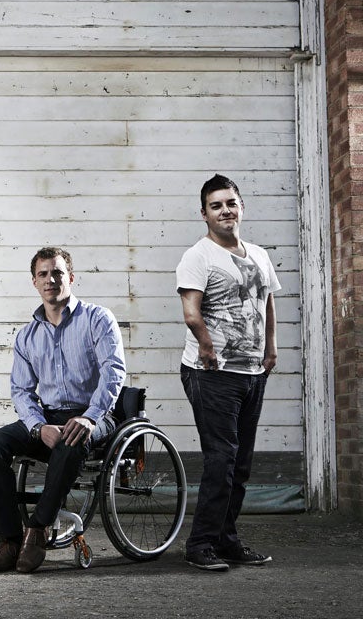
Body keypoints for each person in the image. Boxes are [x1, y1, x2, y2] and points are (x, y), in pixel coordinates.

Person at [0, 247, 126, 573]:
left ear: (70, 278)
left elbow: (113, 372)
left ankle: (37, 530)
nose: (51, 280)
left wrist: (89, 417)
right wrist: (36, 426)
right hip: (48, 417)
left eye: (57, 273)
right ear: (34, 282)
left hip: (95, 415)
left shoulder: (97, 319)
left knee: (70, 438)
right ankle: (9, 542)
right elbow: (21, 391)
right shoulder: (28, 335)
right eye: (43, 274)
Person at [178, 174, 279, 571]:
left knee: (240, 464)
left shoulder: (258, 254)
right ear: (204, 214)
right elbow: (191, 311)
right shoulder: (198, 256)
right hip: (212, 373)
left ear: (241, 208)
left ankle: (226, 539)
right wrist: (206, 344)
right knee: (221, 458)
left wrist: (270, 348)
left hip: (252, 372)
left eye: (231, 203)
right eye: (216, 205)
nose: (225, 211)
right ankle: (200, 544)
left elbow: (266, 301)